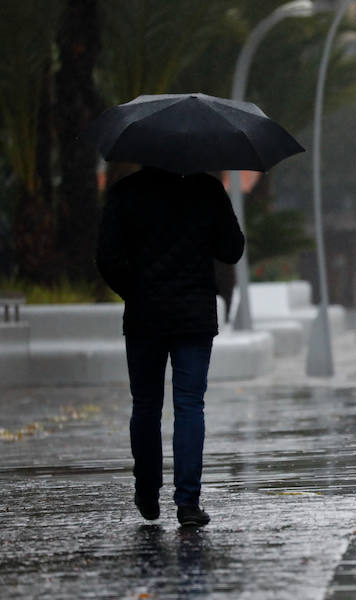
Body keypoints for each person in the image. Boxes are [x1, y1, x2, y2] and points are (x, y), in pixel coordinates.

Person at [96, 166, 244, 526]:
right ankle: (188, 504)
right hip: (194, 316)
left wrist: (134, 291)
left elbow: (107, 258)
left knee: (145, 405)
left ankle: (147, 491)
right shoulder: (207, 189)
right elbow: (232, 249)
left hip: (144, 317)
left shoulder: (125, 192)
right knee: (190, 405)